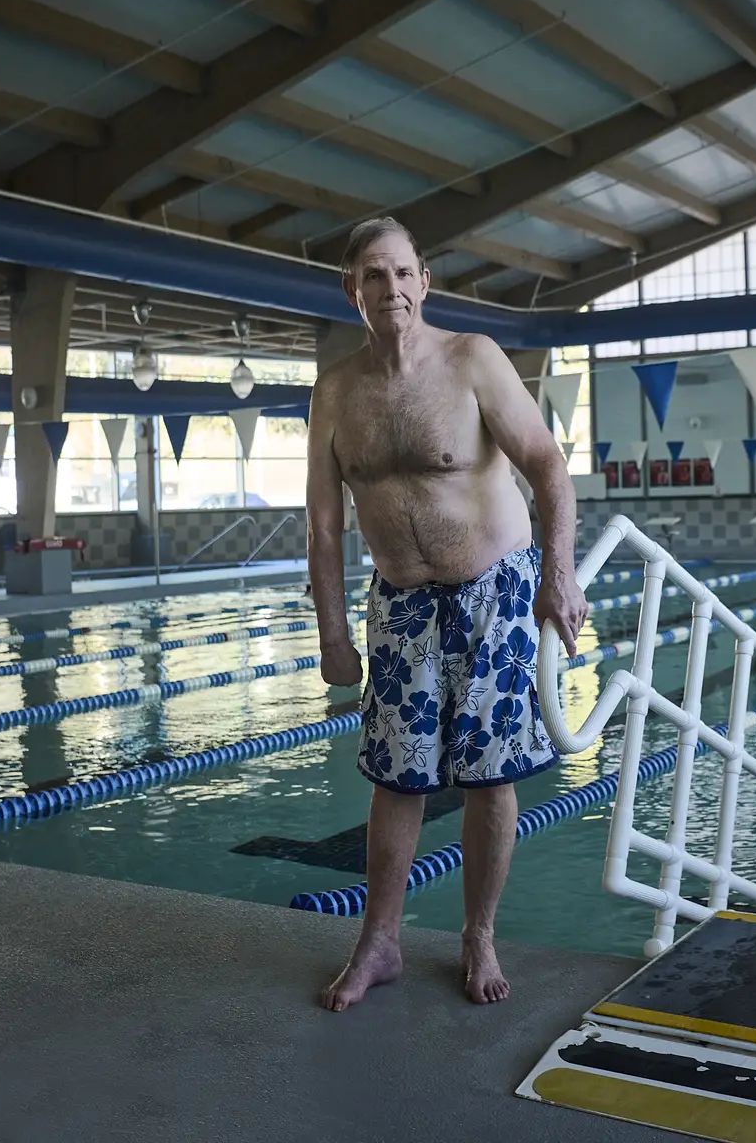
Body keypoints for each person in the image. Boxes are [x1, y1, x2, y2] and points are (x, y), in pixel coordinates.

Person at [306, 216, 589, 1011]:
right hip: (399, 605)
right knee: (396, 781)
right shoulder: (336, 392)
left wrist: (558, 576)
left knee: (490, 780)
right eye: (372, 275)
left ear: (424, 282)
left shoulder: (473, 361)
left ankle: (478, 936)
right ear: (351, 290)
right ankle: (381, 941)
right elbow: (323, 524)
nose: (389, 289)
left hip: (494, 592)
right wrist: (331, 631)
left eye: (402, 273)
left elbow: (547, 465)